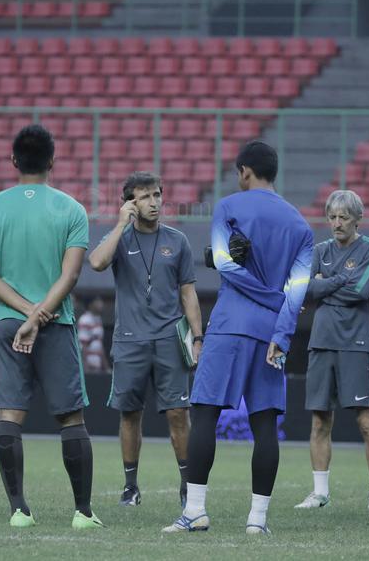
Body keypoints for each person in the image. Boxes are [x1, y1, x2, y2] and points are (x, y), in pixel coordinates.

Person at [162, 140, 314, 536]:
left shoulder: (229, 206)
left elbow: (224, 263)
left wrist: (257, 288)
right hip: (272, 332)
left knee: (207, 415)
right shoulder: (301, 225)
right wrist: (281, 329)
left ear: (244, 171)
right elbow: (298, 290)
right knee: (265, 425)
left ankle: (195, 512)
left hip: (230, 324)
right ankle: (257, 520)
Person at [0, 124, 100, 529]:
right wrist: (40, 313)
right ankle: (82, 513)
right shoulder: (71, 209)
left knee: (10, 415)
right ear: (52, 161)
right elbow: (72, 274)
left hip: (7, 323)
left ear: (13, 161)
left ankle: (18, 511)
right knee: (71, 417)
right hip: (56, 323)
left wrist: (24, 313)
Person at [87, 171, 202, 508]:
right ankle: (130, 486)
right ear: (130, 203)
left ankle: (187, 486)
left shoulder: (178, 240)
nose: (154, 202)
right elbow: (95, 262)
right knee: (129, 414)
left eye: (157, 195)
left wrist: (198, 337)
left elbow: (189, 294)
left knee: (178, 413)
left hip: (169, 340)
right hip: (129, 341)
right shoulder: (119, 239)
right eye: (145, 197)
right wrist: (121, 225)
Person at [296, 189, 369, 512]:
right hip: (321, 343)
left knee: (367, 421)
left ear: (357, 220)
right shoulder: (318, 250)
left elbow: (361, 291)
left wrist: (327, 282)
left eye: (343, 217)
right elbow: (306, 288)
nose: (336, 223)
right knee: (320, 421)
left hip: (356, 344)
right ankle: (320, 493)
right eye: (332, 217)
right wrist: (340, 280)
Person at [76, 297, 107, 373]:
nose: (101, 304)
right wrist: (85, 367)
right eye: (97, 301)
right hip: (88, 366)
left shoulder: (98, 319)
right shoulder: (85, 319)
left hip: (97, 365)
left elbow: (99, 345)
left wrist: (106, 367)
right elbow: (83, 345)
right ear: (91, 305)